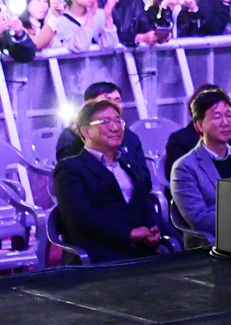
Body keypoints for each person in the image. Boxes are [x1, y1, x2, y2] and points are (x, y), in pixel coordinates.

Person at [52, 98, 167, 262]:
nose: (115, 128)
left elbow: (144, 206)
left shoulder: (131, 167)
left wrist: (151, 232)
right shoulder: (71, 168)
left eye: (118, 121)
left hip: (139, 249)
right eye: (105, 122)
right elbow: (81, 218)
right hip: (100, 251)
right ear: (85, 132)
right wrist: (128, 234)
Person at [169, 87, 231, 244]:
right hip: (217, 242)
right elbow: (199, 218)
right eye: (217, 117)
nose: (225, 122)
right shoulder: (184, 168)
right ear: (199, 125)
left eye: (229, 115)